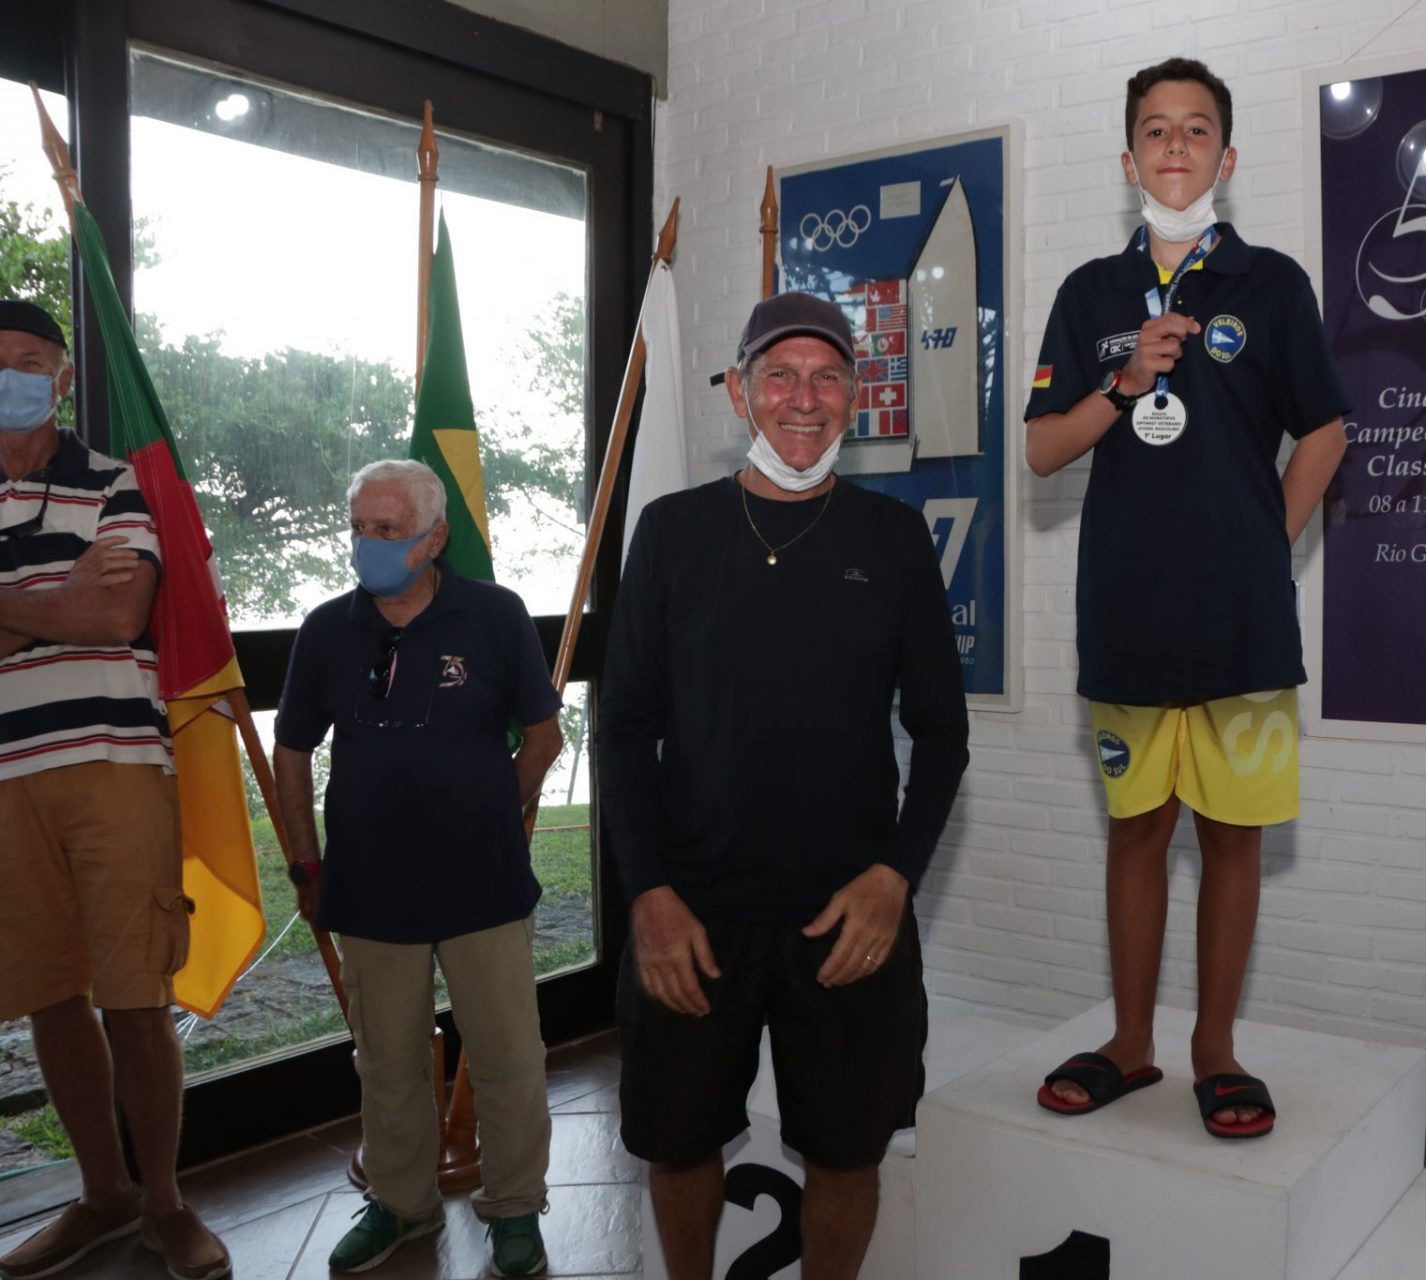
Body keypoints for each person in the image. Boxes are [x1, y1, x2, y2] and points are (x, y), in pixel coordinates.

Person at [599, 292, 969, 1279]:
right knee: (679, 1141)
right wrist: (649, 894)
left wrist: (895, 877)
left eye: (827, 377)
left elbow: (943, 734)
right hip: (691, 913)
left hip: (849, 916)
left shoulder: (895, 539)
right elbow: (624, 728)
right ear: (738, 390)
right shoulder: (671, 532)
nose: (804, 398)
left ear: (855, 394)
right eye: (780, 375)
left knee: (848, 1150)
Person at [1024, 58, 1350, 1140]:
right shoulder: (1089, 294)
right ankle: (1130, 1042)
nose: (1175, 146)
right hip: (1127, 611)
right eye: (1156, 130)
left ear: (1227, 156)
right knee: (1137, 831)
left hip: (1240, 622)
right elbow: (1040, 449)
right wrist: (1122, 384)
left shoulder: (1272, 285)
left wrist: (1266, 545)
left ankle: (1216, 1047)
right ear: (1129, 161)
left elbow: (1326, 430)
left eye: (1196, 129)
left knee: (1233, 835)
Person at [273, 459, 563, 1276]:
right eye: (359, 528)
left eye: (388, 530)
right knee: (388, 1060)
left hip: (484, 883)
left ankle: (515, 1207)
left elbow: (544, 738)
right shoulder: (325, 630)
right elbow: (291, 753)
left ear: (435, 539)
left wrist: (489, 812)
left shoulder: (496, 615)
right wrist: (305, 866)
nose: (367, 543)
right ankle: (401, 1204)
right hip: (369, 886)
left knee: (508, 1056)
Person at [0, 300, 232, 1280]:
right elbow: (84, 607)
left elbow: (120, 609)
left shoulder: (113, 480)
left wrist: (28, 610)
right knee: (48, 994)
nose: (12, 376)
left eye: (29, 360)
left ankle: (165, 1203)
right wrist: (61, 597)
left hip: (116, 763)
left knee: (135, 994)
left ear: (60, 378)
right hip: (7, 779)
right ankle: (104, 1195)